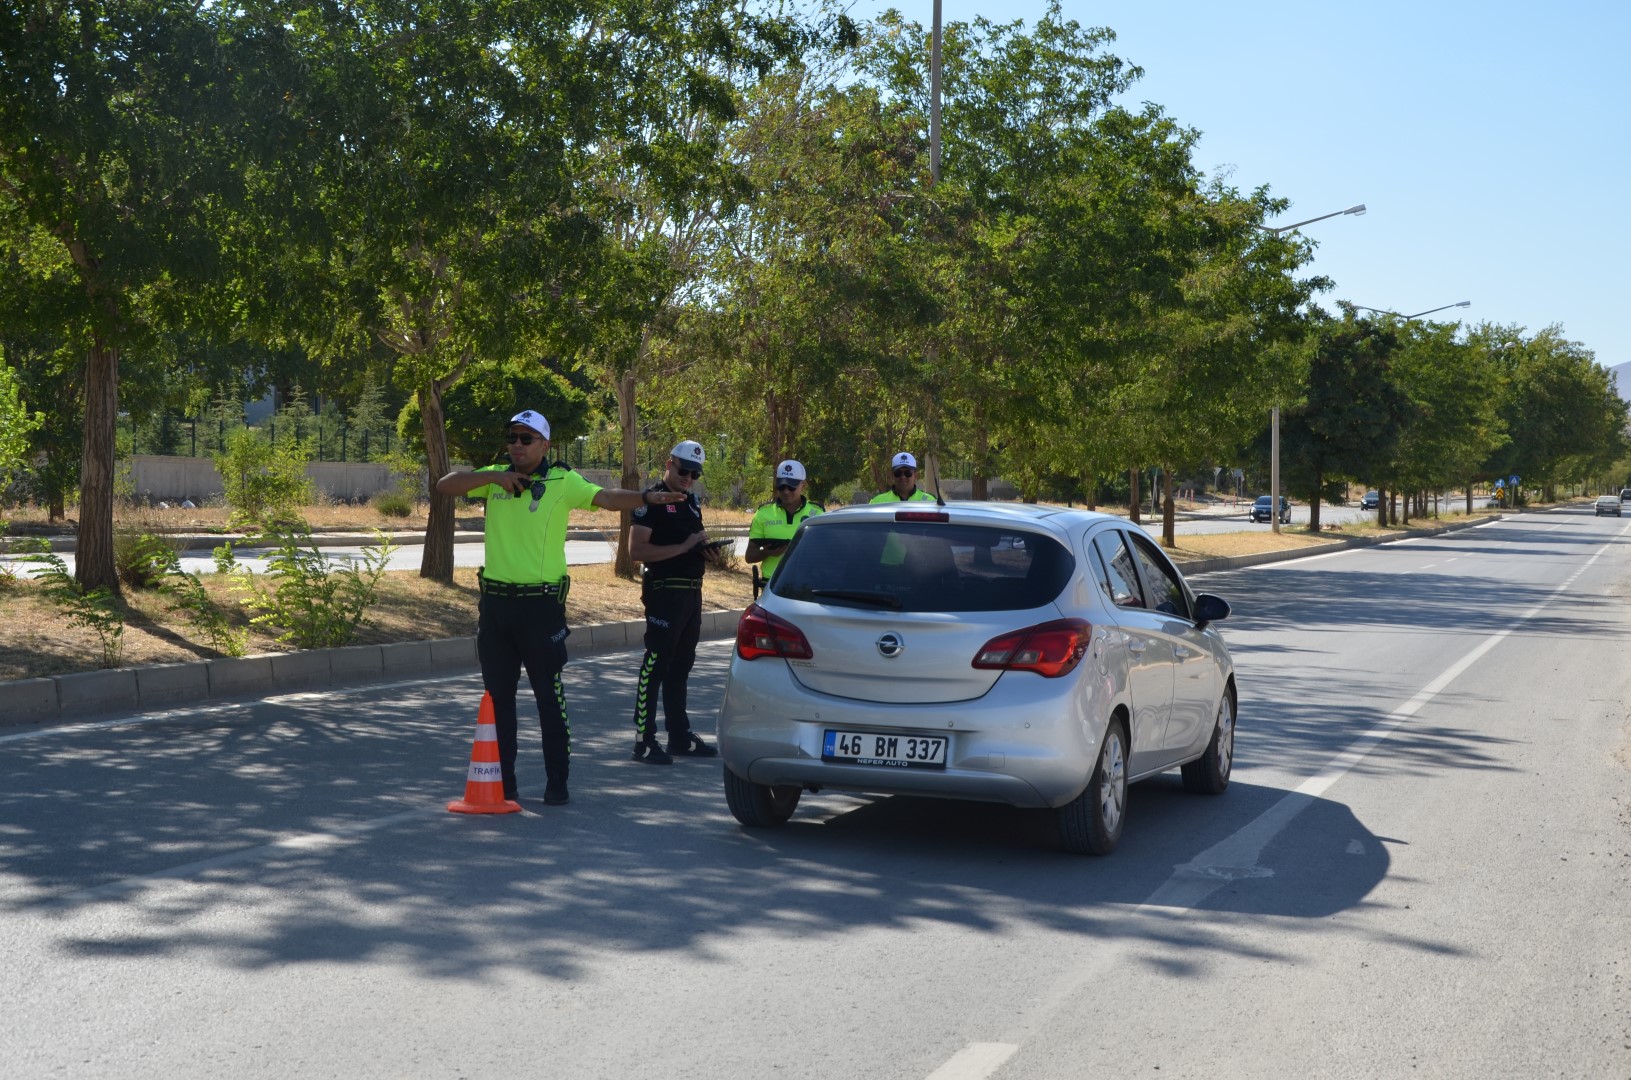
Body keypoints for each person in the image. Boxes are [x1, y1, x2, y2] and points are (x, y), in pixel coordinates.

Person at [434, 409, 685, 806]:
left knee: (548, 696)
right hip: (496, 606)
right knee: (498, 698)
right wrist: (493, 477)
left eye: (526, 439)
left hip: (541, 607)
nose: (517, 445)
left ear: (545, 445)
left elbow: (605, 498)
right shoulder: (496, 475)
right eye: (512, 437)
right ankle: (505, 784)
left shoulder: (562, 480)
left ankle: (557, 781)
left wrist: (645, 497)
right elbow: (446, 484)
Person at [626, 440, 728, 765]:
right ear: (669, 463)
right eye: (684, 470)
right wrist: (684, 547)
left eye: (694, 473)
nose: (688, 478)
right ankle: (644, 740)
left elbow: (690, 543)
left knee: (680, 667)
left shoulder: (692, 502)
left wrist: (705, 552)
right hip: (664, 591)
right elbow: (637, 551)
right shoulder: (650, 500)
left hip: (691, 592)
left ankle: (679, 736)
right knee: (655, 664)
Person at [746, 459, 822, 592]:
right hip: (771, 585)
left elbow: (826, 553)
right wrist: (767, 552)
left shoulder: (817, 513)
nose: (786, 491)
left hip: (806, 585)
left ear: (803, 485)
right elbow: (750, 556)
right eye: (781, 486)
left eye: (791, 486)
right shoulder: (763, 513)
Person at [869, 451, 937, 504]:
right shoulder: (877, 502)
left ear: (916, 476)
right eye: (898, 473)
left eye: (908, 473)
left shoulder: (930, 501)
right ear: (892, 475)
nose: (903, 477)